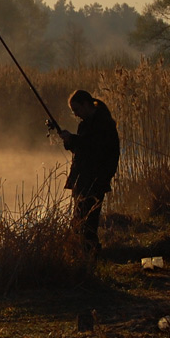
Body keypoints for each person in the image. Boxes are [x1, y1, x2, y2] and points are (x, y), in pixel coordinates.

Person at [55, 90, 120, 256]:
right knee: (79, 221)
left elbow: (94, 147)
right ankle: (83, 254)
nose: (75, 114)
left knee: (88, 224)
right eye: (73, 111)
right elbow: (82, 149)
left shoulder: (103, 123)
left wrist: (73, 139)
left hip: (95, 179)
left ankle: (92, 256)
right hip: (82, 179)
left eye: (76, 109)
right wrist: (69, 142)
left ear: (85, 104)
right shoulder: (85, 124)